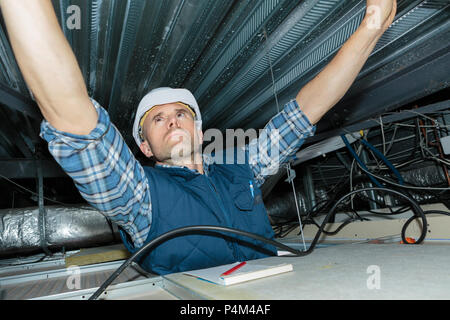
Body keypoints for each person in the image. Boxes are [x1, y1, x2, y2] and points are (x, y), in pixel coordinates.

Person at [0, 0, 397, 275]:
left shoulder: (243, 169)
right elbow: (76, 124)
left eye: (180, 114)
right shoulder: (139, 196)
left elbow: (304, 112)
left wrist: (371, 27)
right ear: (145, 148)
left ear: (200, 131)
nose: (172, 122)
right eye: (157, 120)